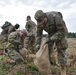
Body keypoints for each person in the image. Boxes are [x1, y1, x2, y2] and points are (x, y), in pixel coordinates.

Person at [34, 10, 68, 75]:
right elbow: (38, 35)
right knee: (46, 48)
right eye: (40, 23)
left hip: (60, 32)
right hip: (51, 33)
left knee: (61, 49)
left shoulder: (55, 17)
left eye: (43, 22)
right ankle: (49, 64)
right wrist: (37, 44)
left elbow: (62, 32)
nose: (42, 24)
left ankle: (63, 68)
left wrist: (51, 39)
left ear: (45, 17)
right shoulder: (39, 23)